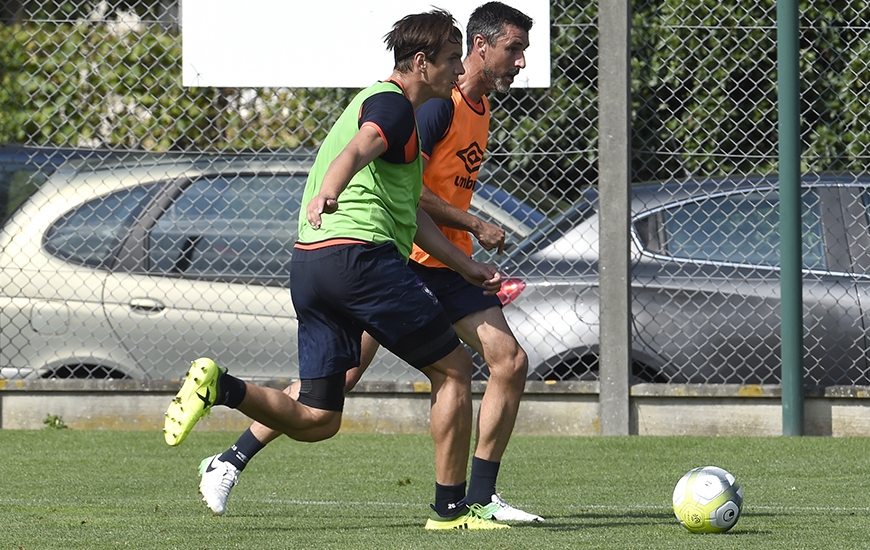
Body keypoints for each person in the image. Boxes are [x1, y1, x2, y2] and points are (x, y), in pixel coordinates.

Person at [163, 8, 510, 531]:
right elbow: (356, 148)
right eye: (449, 59)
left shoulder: (394, 112)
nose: (457, 68)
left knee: (319, 417)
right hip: (360, 260)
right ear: (422, 63)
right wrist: (330, 188)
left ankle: (222, 388)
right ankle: (451, 510)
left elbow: (409, 211)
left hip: (313, 265)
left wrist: (463, 265)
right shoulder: (393, 106)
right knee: (456, 370)